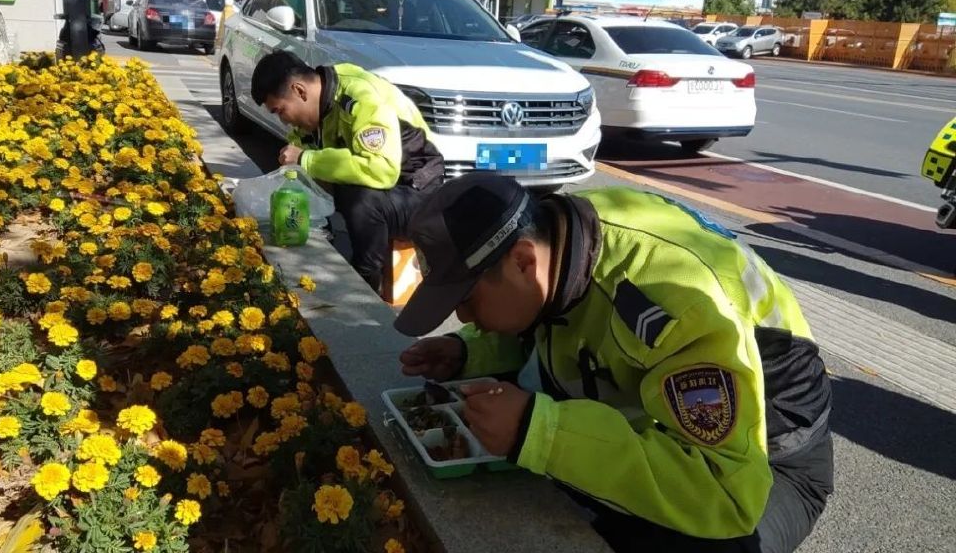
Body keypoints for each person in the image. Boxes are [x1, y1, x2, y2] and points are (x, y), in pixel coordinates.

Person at [394, 173, 834, 553]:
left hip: (771, 459)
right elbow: (544, 319)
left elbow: (727, 492)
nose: (464, 319)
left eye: (466, 301)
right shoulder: (559, 239)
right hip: (663, 418)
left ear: (524, 261)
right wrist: (471, 351)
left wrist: (542, 432)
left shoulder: (671, 301)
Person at [250, 50, 444, 291]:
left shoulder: (360, 98)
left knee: (360, 198)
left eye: (280, 111)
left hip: (418, 190)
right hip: (388, 188)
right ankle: (331, 253)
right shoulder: (318, 109)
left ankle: (366, 284)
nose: (284, 121)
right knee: (304, 182)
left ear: (300, 91)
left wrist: (306, 158)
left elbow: (381, 170)